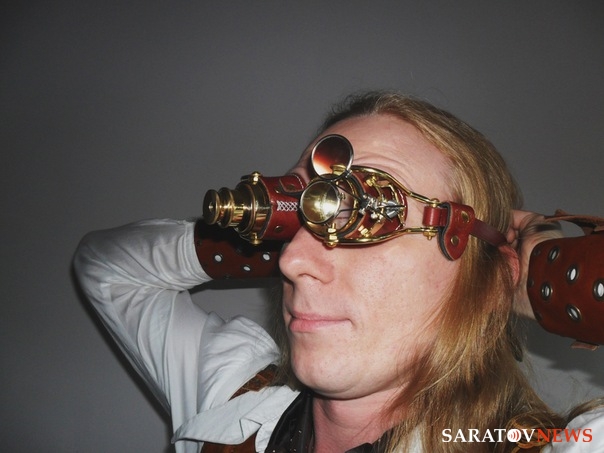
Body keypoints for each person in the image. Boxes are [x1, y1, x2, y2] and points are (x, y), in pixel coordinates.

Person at [73, 91, 604, 453]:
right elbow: (107, 267)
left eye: (367, 215)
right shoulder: (233, 398)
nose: (291, 262)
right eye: (297, 222)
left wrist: (556, 274)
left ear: (488, 281)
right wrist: (260, 231)